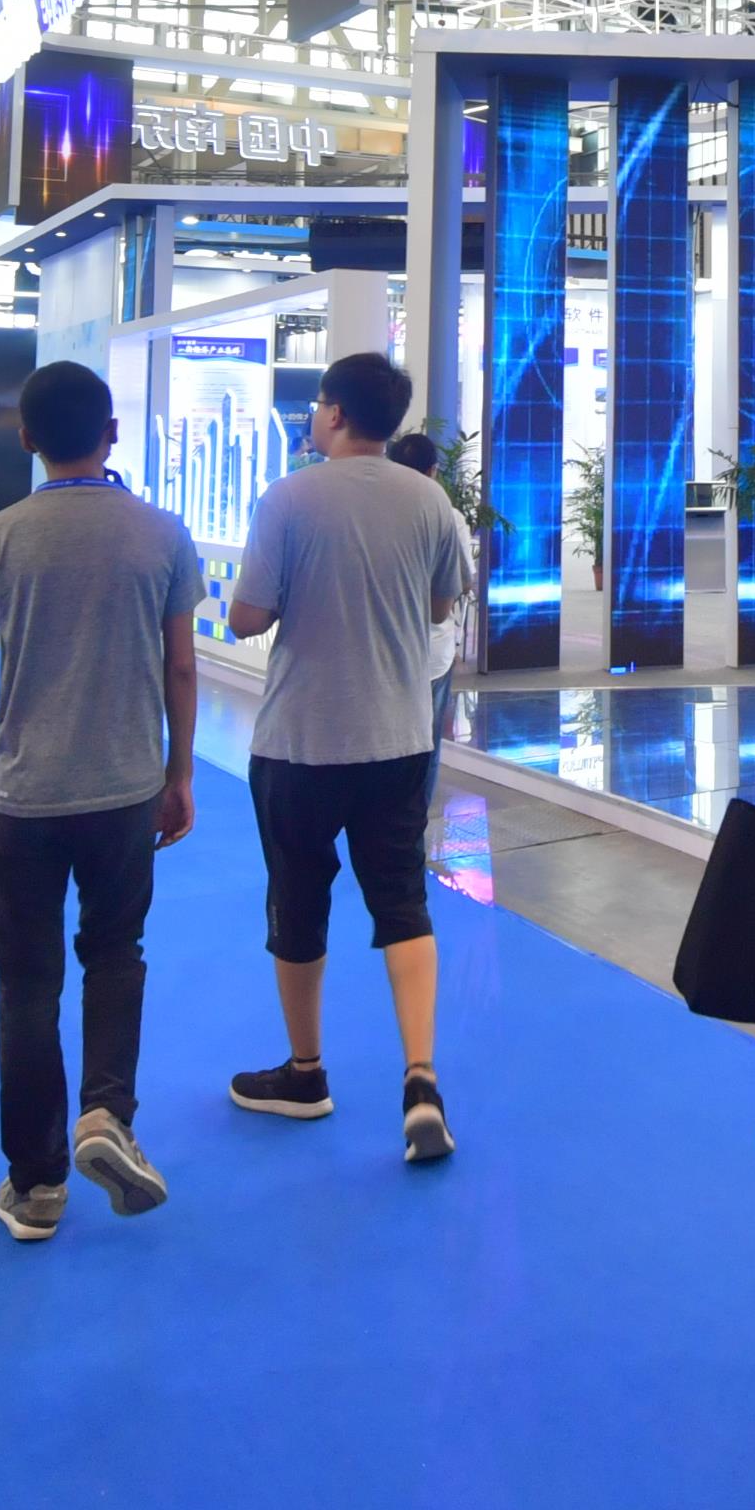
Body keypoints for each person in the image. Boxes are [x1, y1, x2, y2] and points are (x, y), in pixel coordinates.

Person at [0, 362, 202, 1241]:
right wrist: (179, 773)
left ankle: (37, 1184)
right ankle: (106, 1114)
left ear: (25, 439)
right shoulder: (162, 533)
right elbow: (181, 666)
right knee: (116, 953)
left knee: (25, 985)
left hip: (20, 795)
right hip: (125, 788)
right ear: (112, 433)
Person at [220, 353, 471, 1161]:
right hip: (398, 737)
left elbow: (247, 617)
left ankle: (306, 1075)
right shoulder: (430, 500)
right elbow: (438, 605)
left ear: (332, 412)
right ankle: (421, 1080)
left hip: (301, 742)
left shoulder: (288, 498)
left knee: (298, 902)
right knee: (402, 902)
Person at [381, 429, 474, 752]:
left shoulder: (373, 514)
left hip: (381, 648)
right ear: (433, 470)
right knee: (426, 746)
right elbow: (462, 582)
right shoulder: (448, 516)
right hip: (433, 650)